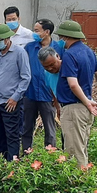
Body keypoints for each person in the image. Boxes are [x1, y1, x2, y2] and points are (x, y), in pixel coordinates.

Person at [53, 20, 97, 167]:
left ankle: (79, 185)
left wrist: (87, 102)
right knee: (81, 147)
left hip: (74, 108)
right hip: (85, 108)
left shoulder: (69, 55)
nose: (61, 41)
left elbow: (73, 84)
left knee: (74, 152)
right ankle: (83, 180)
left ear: (66, 37)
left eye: (61, 37)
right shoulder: (88, 51)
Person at [0, 23, 31, 161]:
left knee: (11, 133)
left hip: (10, 101)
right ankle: (3, 159)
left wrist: (15, 97)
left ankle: (13, 160)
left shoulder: (19, 53)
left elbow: (26, 77)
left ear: (7, 39)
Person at [22, 19, 64, 151]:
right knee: (27, 126)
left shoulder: (59, 48)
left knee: (50, 126)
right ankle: (26, 152)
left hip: (49, 95)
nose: (34, 33)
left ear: (46, 32)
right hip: (30, 93)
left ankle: (50, 152)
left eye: (36, 30)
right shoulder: (29, 48)